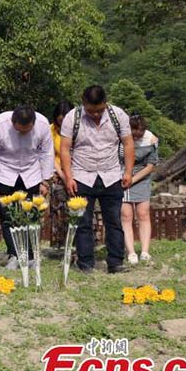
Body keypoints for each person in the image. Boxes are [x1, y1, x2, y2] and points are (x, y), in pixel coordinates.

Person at [60, 85, 135, 274]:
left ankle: (115, 262)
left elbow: (128, 143)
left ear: (105, 103)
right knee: (83, 222)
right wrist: (69, 177)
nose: (95, 115)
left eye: (99, 110)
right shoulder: (73, 117)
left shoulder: (118, 115)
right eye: (91, 111)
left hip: (111, 175)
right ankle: (85, 263)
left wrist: (128, 171)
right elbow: (65, 149)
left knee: (114, 221)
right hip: (82, 175)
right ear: (83, 103)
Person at [0, 105, 55, 270]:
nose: (24, 132)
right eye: (20, 129)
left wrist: (46, 181)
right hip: (5, 172)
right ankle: (14, 254)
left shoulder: (43, 125)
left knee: (31, 216)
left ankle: (30, 255)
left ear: (33, 122)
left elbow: (47, 153)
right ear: (12, 122)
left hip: (32, 173)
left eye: (27, 129)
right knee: (7, 216)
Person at [121, 114, 159, 265]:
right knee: (126, 216)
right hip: (122, 177)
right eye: (133, 134)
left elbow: (151, 165)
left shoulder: (151, 140)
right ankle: (130, 252)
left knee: (143, 214)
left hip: (141, 178)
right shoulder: (121, 138)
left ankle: (144, 251)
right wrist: (126, 177)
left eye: (139, 134)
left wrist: (133, 179)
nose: (136, 137)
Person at [50, 101, 73, 243]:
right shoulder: (50, 130)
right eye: (60, 122)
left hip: (79, 172)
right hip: (58, 173)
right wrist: (63, 175)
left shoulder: (80, 127)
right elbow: (49, 155)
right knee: (60, 211)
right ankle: (61, 243)